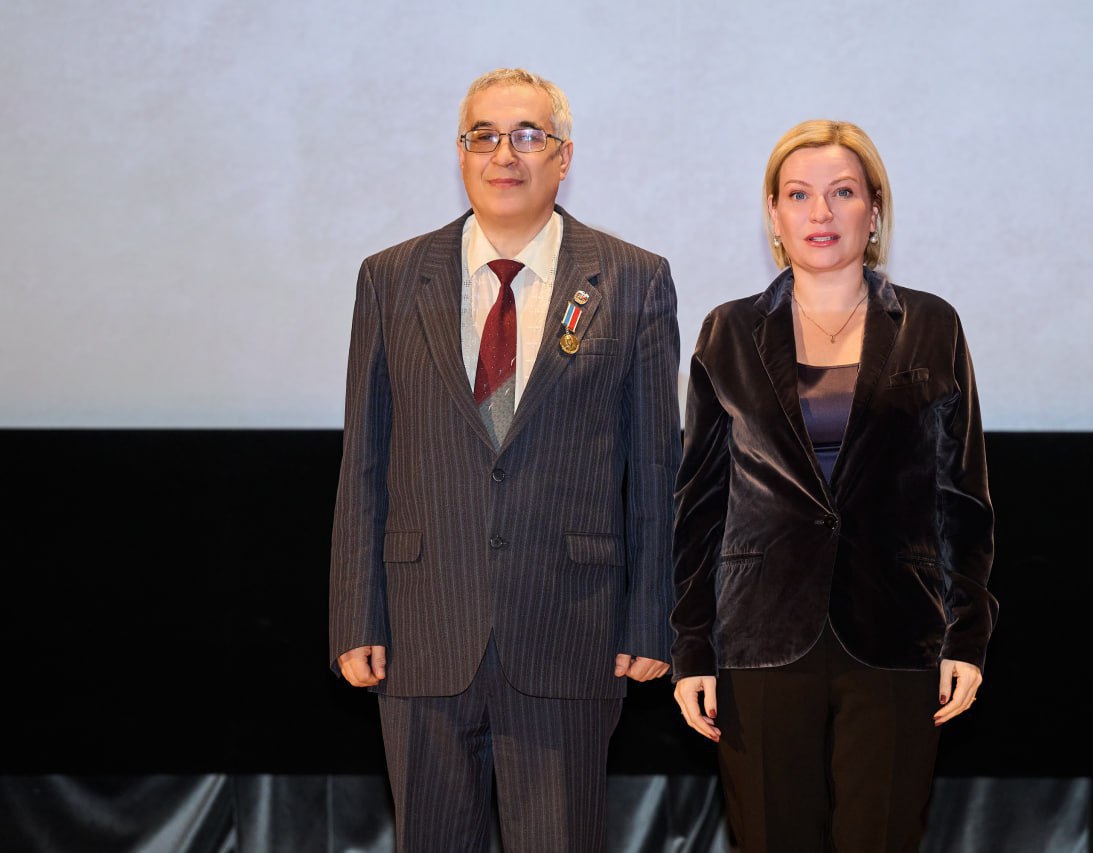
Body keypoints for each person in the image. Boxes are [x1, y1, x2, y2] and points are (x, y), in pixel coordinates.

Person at [329, 67, 681, 852]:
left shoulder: (634, 279)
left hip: (571, 628)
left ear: (563, 155)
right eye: (483, 135)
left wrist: (652, 615)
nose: (504, 154)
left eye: (528, 135)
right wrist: (356, 614)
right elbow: (365, 460)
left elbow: (657, 467)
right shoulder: (390, 278)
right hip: (422, 628)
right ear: (460, 154)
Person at [670, 119, 997, 852]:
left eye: (842, 192)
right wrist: (691, 645)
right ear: (774, 214)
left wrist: (968, 633)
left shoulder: (931, 324)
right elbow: (700, 504)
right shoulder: (728, 331)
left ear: (874, 211)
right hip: (758, 634)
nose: (820, 212)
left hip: (897, 630)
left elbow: (961, 496)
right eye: (798, 195)